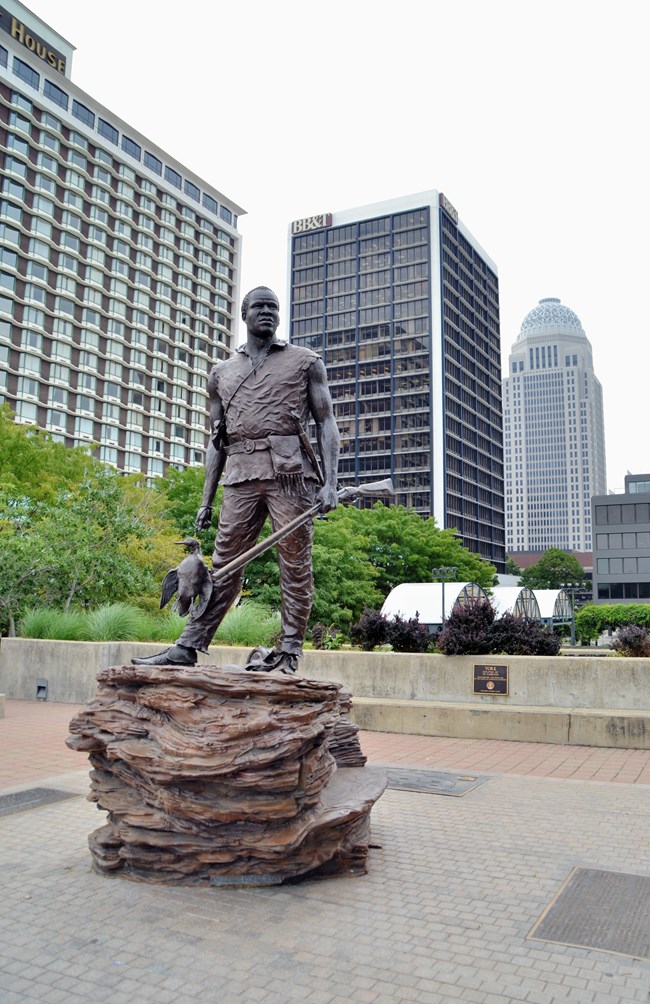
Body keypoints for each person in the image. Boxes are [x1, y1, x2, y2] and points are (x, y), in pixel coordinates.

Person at [133, 286, 340, 673]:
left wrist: (330, 482)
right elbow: (217, 442)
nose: (268, 312)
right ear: (244, 314)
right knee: (223, 565)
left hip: (290, 475)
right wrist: (205, 500)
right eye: (259, 306)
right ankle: (188, 645)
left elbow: (327, 422)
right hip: (241, 475)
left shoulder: (306, 362)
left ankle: (289, 653)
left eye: (273, 307)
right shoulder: (221, 374)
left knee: (295, 564)